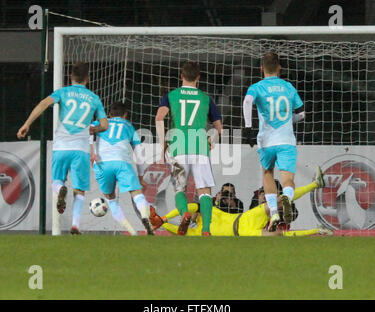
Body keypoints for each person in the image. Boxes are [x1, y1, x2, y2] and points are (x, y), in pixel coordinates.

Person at [17, 62, 108, 234]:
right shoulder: (94, 98)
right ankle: (75, 225)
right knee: (79, 189)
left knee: (56, 181)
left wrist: (27, 124)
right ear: (87, 79)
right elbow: (104, 125)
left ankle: (60, 190)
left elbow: (44, 104)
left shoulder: (63, 92)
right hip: (80, 149)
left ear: (71, 77)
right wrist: (93, 129)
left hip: (61, 146)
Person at [150, 167, 329, 237]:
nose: (188, 217)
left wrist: (164, 219)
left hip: (246, 217)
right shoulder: (196, 232)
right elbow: (177, 231)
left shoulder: (207, 210)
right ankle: (317, 230)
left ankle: (315, 184)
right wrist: (162, 223)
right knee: (277, 236)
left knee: (279, 201)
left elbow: (191, 207)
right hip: (244, 231)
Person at [155, 61, 223, 236]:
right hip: (200, 147)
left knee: (180, 188)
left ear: (181, 76)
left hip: (178, 147)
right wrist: (212, 138)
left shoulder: (171, 96)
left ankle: (185, 213)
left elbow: (159, 117)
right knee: (205, 191)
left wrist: (163, 144)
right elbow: (218, 127)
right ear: (198, 78)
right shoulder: (206, 98)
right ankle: (206, 229)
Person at [242, 52, 306, 232]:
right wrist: (288, 119)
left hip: (266, 141)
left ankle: (274, 213)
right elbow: (302, 114)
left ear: (261, 68)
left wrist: (247, 127)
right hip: (286, 140)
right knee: (288, 179)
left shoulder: (257, 87)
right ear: (279, 68)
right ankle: (286, 197)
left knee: (267, 173)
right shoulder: (288, 87)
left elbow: (247, 102)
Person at [90, 101, 154, 235]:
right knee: (137, 193)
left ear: (109, 114)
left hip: (102, 164)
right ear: (125, 115)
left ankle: (132, 232)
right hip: (122, 163)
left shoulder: (99, 123)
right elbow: (139, 152)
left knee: (110, 199)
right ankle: (144, 217)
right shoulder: (129, 126)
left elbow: (87, 131)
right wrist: (141, 176)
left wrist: (91, 152)